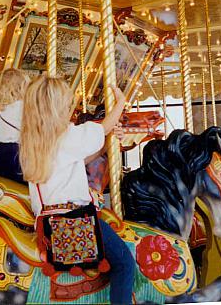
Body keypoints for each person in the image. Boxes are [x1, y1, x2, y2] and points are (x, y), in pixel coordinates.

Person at [19, 75, 135, 304]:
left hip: (47, 223)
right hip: (75, 220)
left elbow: (75, 160)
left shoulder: (35, 140)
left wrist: (103, 149)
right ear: (56, 107)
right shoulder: (67, 136)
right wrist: (120, 102)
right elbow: (103, 127)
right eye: (66, 105)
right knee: (125, 264)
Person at [0, 68, 28, 183]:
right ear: (20, 87)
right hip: (18, 154)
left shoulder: (0, 109)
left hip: (1, 154)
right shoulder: (22, 106)